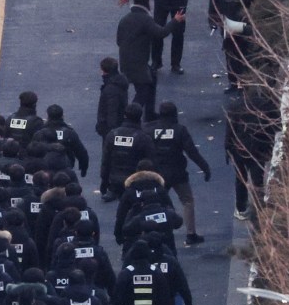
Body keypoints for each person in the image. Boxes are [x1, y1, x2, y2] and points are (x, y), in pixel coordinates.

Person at [146, 101, 211, 246]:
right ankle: (191, 233)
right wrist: (205, 167)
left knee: (158, 203)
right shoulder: (180, 130)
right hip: (177, 172)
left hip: (158, 173)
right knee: (187, 200)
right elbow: (192, 152)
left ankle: (157, 232)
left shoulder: (150, 130)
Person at [116, 0, 185, 121]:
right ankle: (131, 116)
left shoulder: (124, 20)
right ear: (146, 2)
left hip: (126, 61)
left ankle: (149, 113)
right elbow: (161, 33)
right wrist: (175, 20)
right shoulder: (145, 19)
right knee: (143, 90)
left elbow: (118, 41)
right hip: (138, 63)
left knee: (152, 78)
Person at [224, 87, 279, 221]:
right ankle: (259, 210)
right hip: (259, 148)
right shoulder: (266, 107)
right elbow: (276, 125)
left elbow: (230, 131)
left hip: (239, 149)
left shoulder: (235, 107)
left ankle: (241, 209)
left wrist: (227, 148)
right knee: (258, 180)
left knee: (240, 179)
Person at [208, 0, 255, 93]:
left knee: (233, 51)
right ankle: (241, 82)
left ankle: (237, 82)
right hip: (240, 20)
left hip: (232, 20)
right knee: (241, 51)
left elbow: (214, 0)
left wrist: (213, 19)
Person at [100, 103, 155, 202]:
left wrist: (104, 181)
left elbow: (106, 161)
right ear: (140, 117)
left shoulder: (112, 134)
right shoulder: (144, 137)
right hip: (136, 180)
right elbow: (151, 161)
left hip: (115, 180)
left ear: (125, 115)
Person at [96, 57, 129, 139]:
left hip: (109, 129)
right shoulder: (120, 82)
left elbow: (112, 111)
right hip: (119, 122)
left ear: (104, 71)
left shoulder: (110, 89)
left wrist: (111, 131)